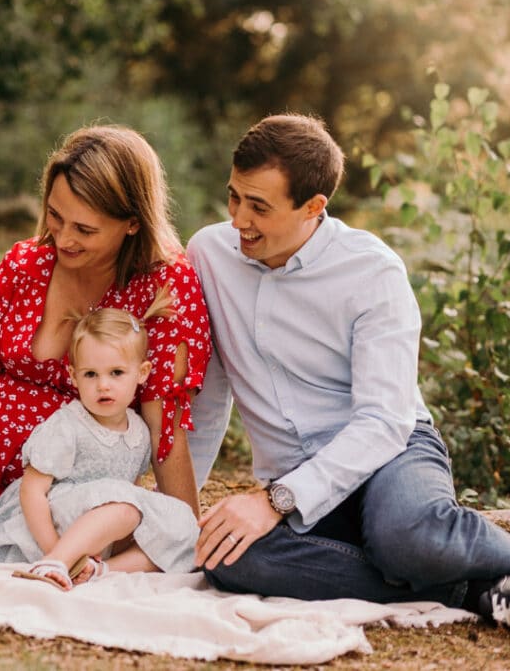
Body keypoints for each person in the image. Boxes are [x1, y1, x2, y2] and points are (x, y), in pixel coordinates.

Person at [185, 113, 510, 626]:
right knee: (227, 556)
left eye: (259, 207)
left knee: (407, 535)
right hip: (293, 470)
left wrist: (277, 500)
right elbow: (208, 396)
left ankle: (468, 556)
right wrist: (177, 518)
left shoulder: (373, 272)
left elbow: (384, 422)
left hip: (390, 451)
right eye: (234, 197)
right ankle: (465, 589)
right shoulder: (208, 253)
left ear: (314, 207)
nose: (238, 220)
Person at [0, 124, 212, 530]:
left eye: (84, 229)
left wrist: (185, 531)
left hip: (66, 497)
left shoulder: (166, 288)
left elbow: (165, 431)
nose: (63, 238)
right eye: (55, 215)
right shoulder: (24, 264)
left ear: (133, 224)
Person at [0, 307, 199, 590]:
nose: (103, 385)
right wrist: (55, 552)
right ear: (74, 375)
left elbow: (130, 489)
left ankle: (99, 570)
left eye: (116, 372)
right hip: (51, 526)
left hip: (101, 532)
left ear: (142, 373)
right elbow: (32, 491)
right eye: (90, 374)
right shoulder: (68, 425)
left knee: (181, 527)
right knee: (127, 509)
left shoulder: (139, 431)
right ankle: (57, 564)